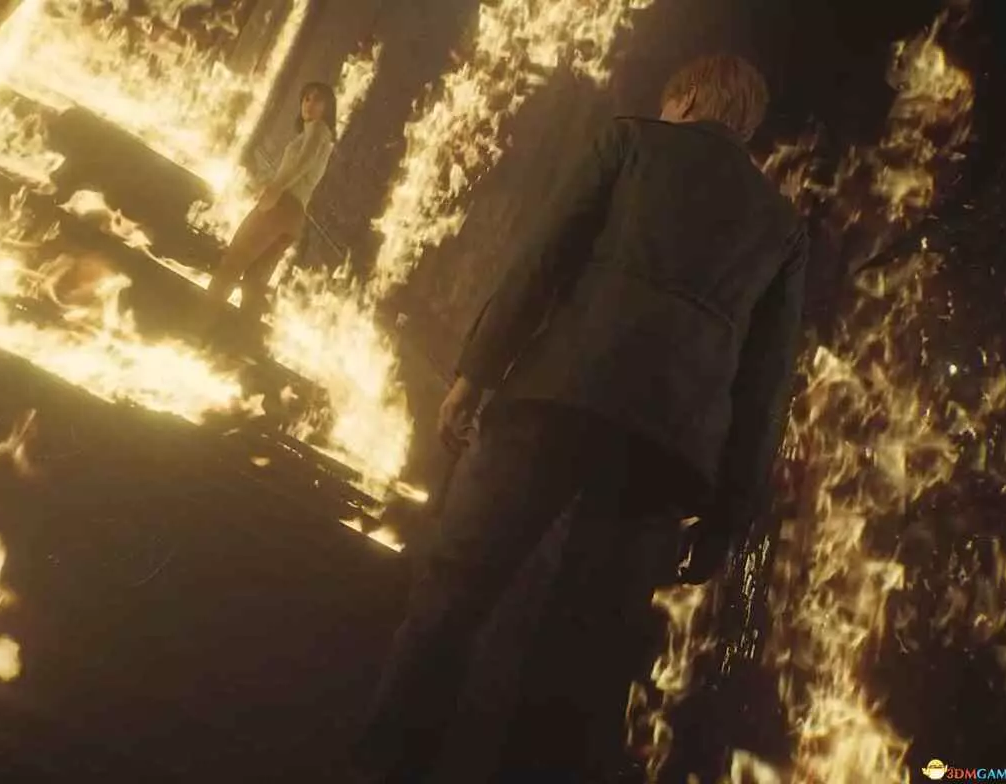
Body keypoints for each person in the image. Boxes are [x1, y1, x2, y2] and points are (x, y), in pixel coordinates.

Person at [351, 54, 809, 783]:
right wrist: (729, 515)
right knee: (583, 650)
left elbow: (542, 260)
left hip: (556, 398)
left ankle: (389, 765)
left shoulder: (630, 142)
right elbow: (766, 385)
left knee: (456, 590)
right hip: (665, 449)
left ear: (688, 97)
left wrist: (477, 370)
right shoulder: (783, 228)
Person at [202, 81, 336, 326]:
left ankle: (197, 325)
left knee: (232, 264)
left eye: (317, 99)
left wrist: (274, 190)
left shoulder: (318, 130)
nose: (309, 104)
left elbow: (302, 162)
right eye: (306, 98)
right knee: (255, 283)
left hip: (280, 207)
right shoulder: (319, 136)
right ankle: (238, 342)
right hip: (294, 217)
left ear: (328, 107)